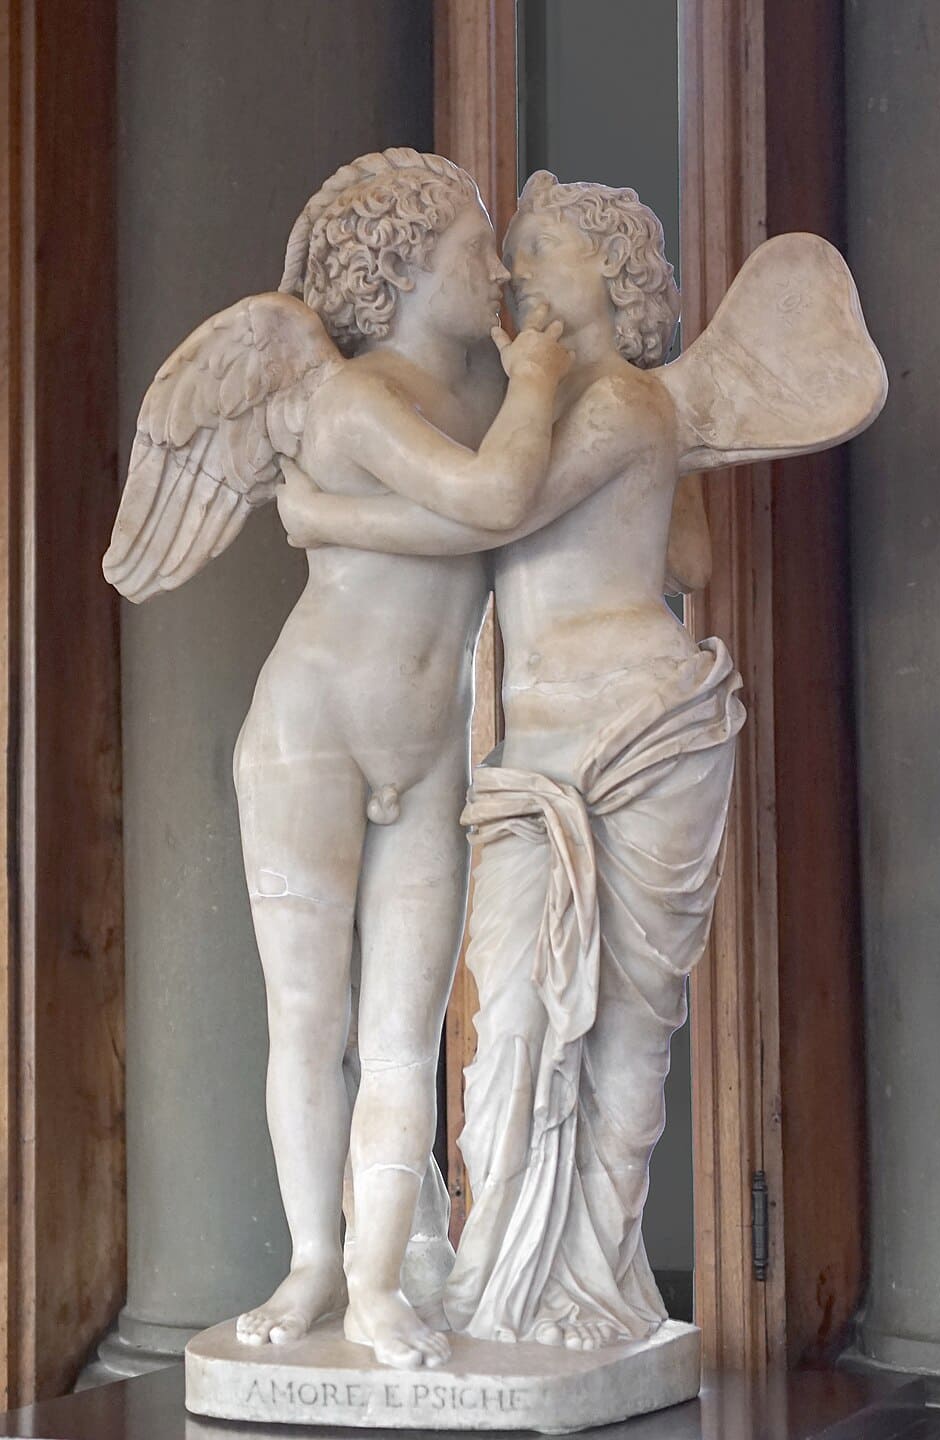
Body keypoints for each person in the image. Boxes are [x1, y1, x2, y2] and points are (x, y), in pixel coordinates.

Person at [277, 168, 886, 1351]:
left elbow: (496, 514)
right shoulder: (579, 415)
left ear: (607, 274)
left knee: (619, 1029)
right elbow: (690, 558)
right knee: (513, 1013)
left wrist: (324, 517)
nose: (516, 271)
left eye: (542, 246)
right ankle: (508, 1282)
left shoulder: (618, 406)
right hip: (538, 748)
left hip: (636, 726)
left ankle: (590, 1286)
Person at [103, 149, 571, 1369]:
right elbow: (496, 506)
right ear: (405, 267)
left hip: (428, 753)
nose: (500, 269)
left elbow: (521, 509)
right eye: (476, 248)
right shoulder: (358, 397)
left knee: (408, 1033)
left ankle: (375, 1283)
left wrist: (323, 516)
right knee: (310, 1022)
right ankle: (315, 1260)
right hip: (308, 736)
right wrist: (533, 398)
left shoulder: (492, 391)